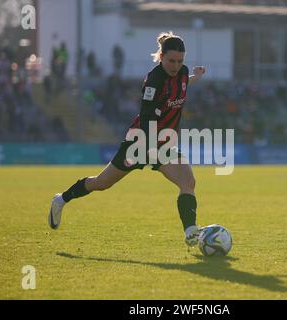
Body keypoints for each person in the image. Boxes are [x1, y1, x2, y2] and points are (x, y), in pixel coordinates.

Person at [48, 32, 206, 247]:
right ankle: (60, 200)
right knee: (101, 183)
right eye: (171, 61)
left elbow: (185, 83)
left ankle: (191, 231)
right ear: (161, 57)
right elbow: (147, 118)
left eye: (180, 61)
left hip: (163, 143)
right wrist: (151, 148)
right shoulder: (154, 81)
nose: (176, 66)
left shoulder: (183, 72)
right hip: (140, 142)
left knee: (188, 182)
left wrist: (197, 75)